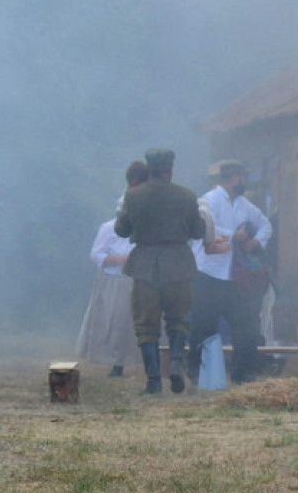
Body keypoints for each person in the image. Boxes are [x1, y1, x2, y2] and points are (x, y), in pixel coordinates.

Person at [115, 149, 205, 394]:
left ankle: (153, 381)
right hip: (178, 264)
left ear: (149, 168)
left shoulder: (134, 196)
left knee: (146, 325)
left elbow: (121, 230)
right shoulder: (187, 195)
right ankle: (175, 363)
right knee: (179, 320)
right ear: (170, 170)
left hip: (145, 266)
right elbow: (198, 231)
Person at [187, 160, 273, 386]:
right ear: (235, 178)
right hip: (209, 273)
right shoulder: (208, 200)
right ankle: (197, 372)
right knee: (202, 325)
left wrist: (253, 242)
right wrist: (234, 235)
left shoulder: (245, 205)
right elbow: (204, 227)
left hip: (235, 277)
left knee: (245, 325)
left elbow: (266, 226)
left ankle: (242, 372)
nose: (245, 182)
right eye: (244, 177)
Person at [76, 161, 147, 376]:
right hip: (115, 282)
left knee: (136, 324)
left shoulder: (145, 228)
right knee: (115, 324)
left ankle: (144, 361)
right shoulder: (108, 228)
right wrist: (118, 259)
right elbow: (96, 254)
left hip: (139, 279)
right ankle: (116, 363)